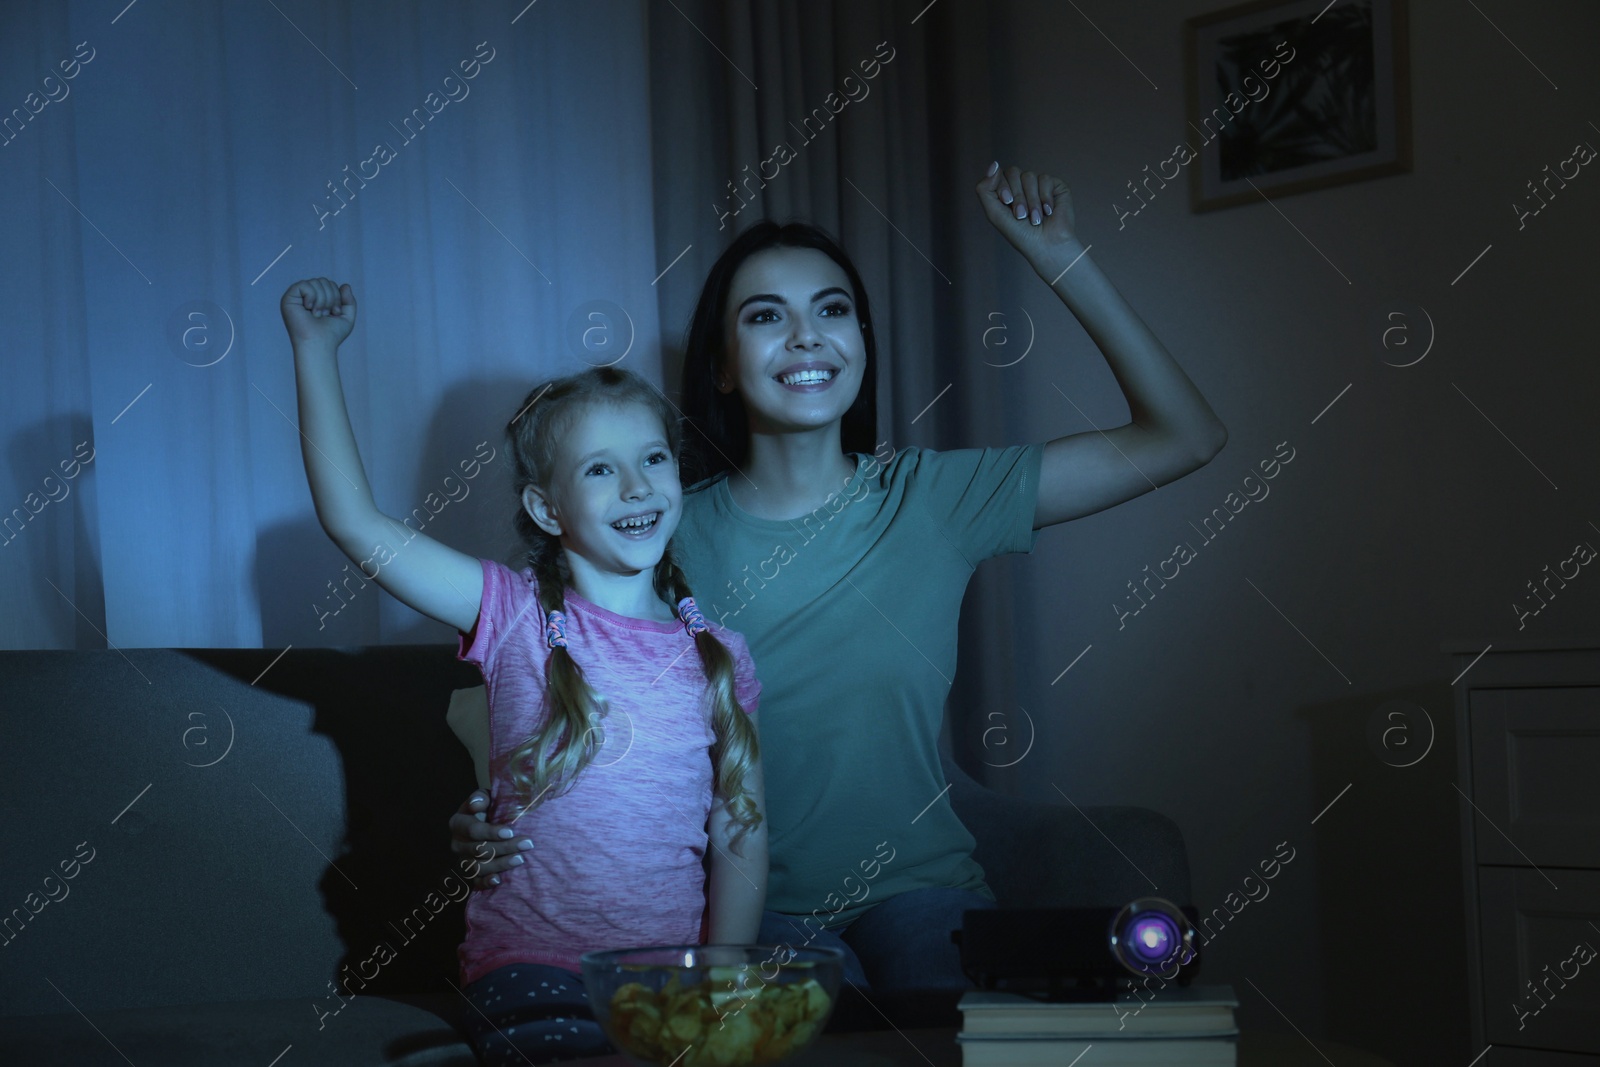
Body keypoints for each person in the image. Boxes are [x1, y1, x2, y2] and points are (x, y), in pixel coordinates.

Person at [449, 162, 1228, 993]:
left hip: (925, 895)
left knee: (945, 1019)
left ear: (861, 342)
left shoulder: (938, 497)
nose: (806, 335)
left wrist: (1061, 254)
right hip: (745, 909)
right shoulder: (656, 531)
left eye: (832, 310)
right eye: (765, 316)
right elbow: (524, 666)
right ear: (720, 363)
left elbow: (1186, 435)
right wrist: (489, 815)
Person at [281, 284, 768, 1064]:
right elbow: (355, 523)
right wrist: (315, 349)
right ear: (547, 509)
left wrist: (725, 968)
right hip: (530, 968)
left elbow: (740, 828)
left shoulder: (722, 653)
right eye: (601, 470)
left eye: (652, 459)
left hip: (670, 975)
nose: (638, 486)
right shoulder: (508, 612)